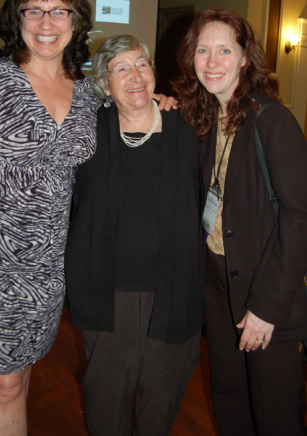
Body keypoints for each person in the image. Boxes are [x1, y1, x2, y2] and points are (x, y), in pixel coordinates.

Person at [0, 0, 100, 436]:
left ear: (77, 22)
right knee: (3, 384)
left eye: (59, 11)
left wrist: (160, 99)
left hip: (46, 261)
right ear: (17, 19)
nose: (46, 22)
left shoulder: (90, 95)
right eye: (33, 10)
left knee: (24, 372)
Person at [174, 8, 307, 436]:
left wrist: (265, 308)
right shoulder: (206, 119)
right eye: (203, 50)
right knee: (229, 396)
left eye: (224, 50)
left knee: (275, 413)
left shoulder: (272, 120)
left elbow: (300, 217)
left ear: (244, 58)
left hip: (265, 290)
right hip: (219, 285)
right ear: (191, 58)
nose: (212, 61)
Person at [64, 35, 203, 436]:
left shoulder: (188, 128)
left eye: (141, 64)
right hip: (107, 292)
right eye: (121, 68)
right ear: (105, 85)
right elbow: (35, 163)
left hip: (174, 291)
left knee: (162, 400)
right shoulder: (85, 130)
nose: (135, 76)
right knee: (105, 401)